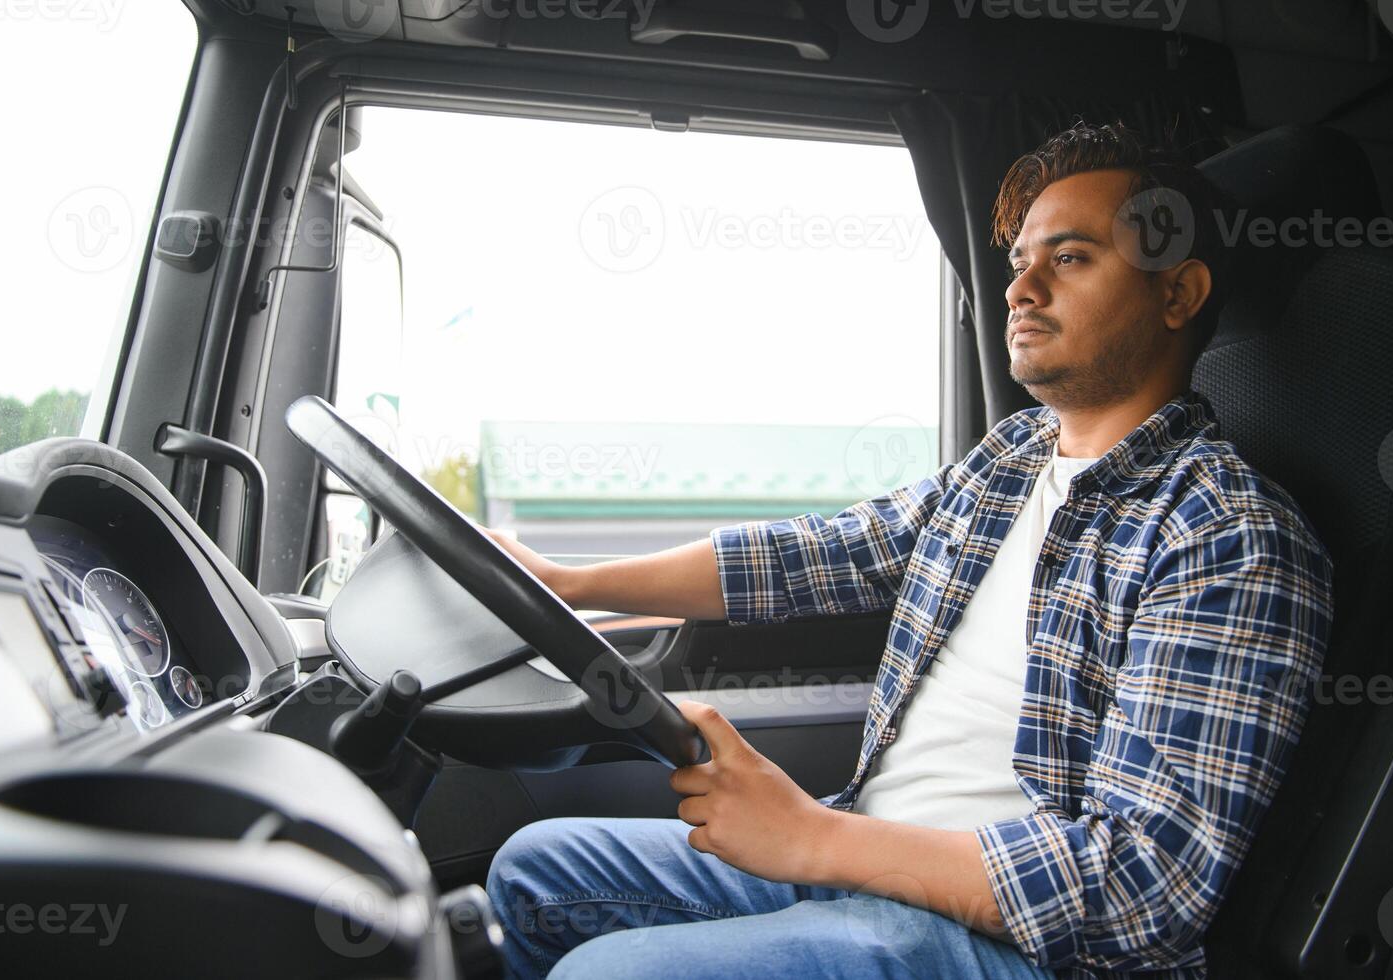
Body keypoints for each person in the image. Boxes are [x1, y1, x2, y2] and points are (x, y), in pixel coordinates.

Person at [482, 122, 1334, 979]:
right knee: (536, 872)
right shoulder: (1010, 458)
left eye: (1069, 258)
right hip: (866, 853)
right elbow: (814, 554)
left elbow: (1145, 889)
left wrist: (815, 839)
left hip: (1020, 949)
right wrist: (569, 582)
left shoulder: (1227, 535)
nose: (1021, 291)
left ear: (1177, 293)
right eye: (1018, 265)